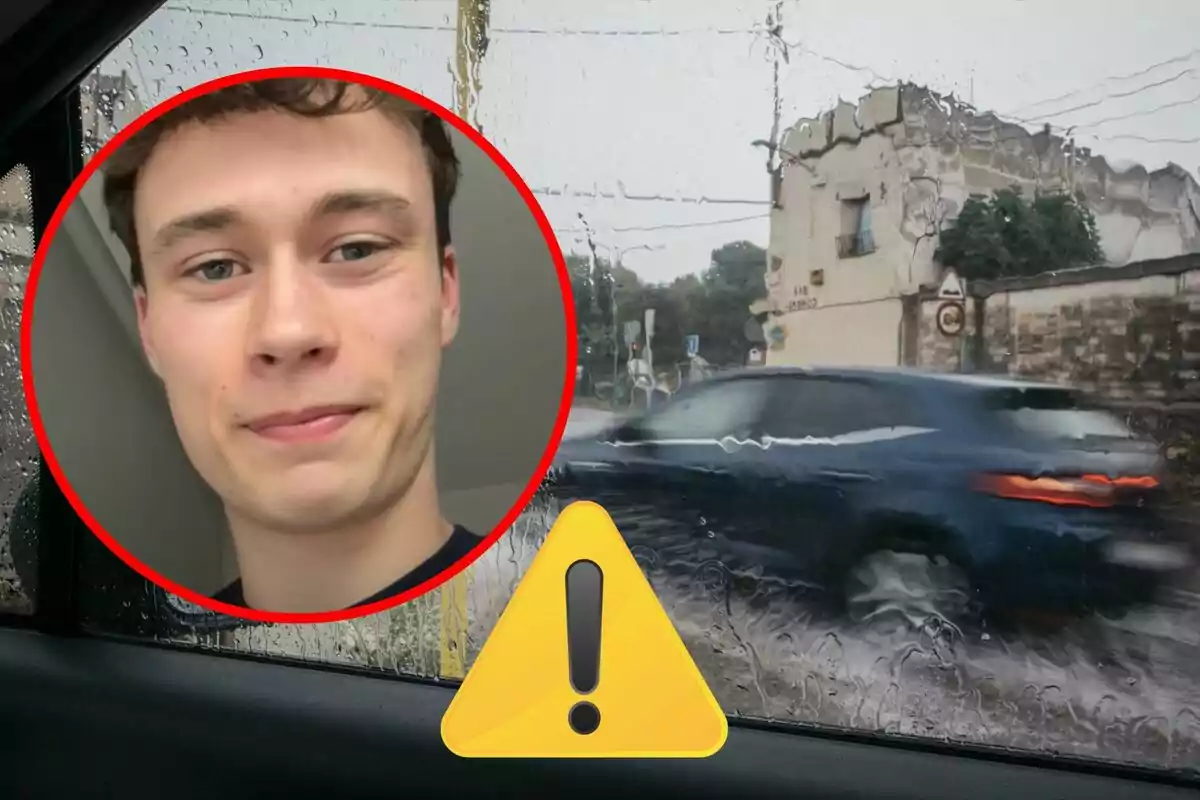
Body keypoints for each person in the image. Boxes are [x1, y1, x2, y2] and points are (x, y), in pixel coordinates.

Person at [100, 77, 482, 613]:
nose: (288, 331)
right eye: (215, 268)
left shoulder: (594, 641)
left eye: (355, 250)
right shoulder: (142, 669)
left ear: (446, 293)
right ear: (148, 329)